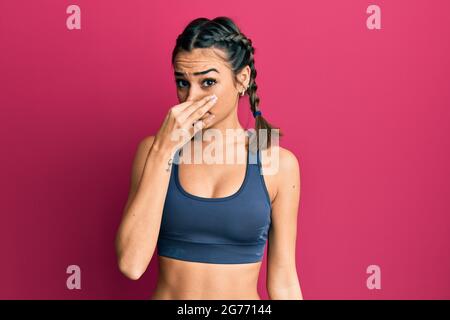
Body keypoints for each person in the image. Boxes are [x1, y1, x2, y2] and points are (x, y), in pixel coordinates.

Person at [115, 16, 303, 300]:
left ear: (243, 79)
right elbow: (131, 264)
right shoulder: (153, 151)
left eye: (208, 82)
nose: (191, 98)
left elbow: (284, 281)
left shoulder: (278, 162)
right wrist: (163, 151)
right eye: (182, 82)